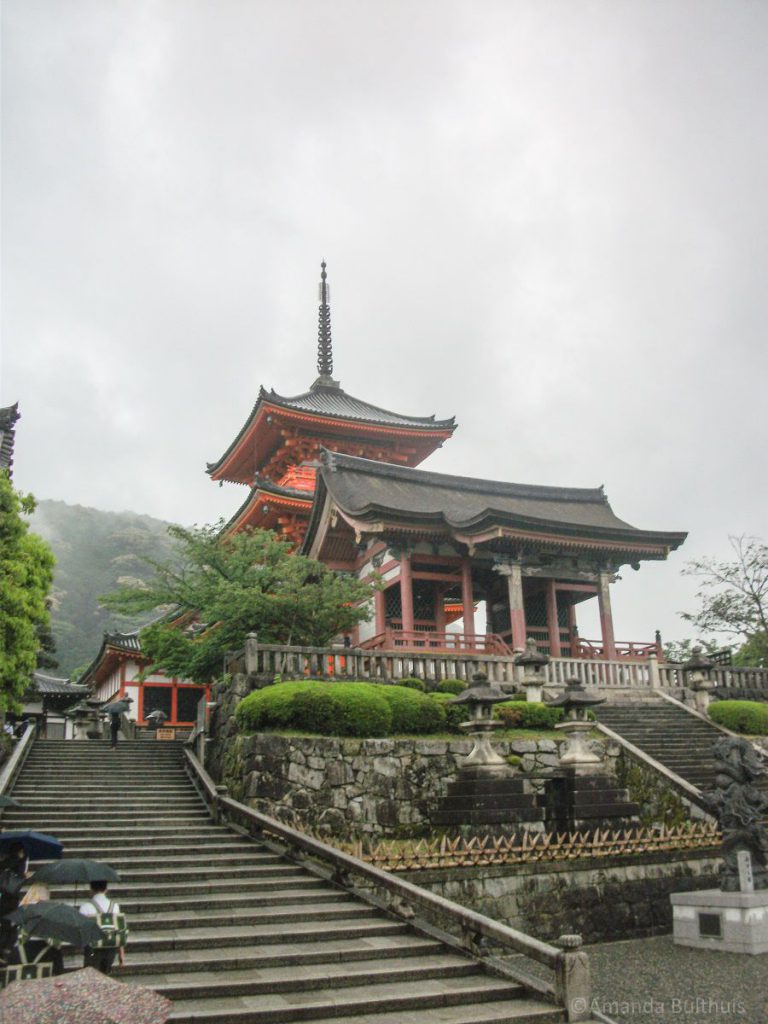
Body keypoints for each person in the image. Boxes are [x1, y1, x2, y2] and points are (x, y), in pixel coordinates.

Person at [79, 880, 126, 974]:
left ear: (91, 889)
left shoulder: (85, 907)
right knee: (106, 975)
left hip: (92, 948)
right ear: (106, 889)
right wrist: (121, 953)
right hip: (111, 947)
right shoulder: (115, 906)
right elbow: (119, 930)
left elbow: (82, 931)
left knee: (91, 977)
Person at [0, 842, 29, 961]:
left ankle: (3, 951)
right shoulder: (19, 863)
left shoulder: (5, 863)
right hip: (12, 900)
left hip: (3, 899)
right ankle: (6, 952)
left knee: (5, 925)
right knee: (11, 926)